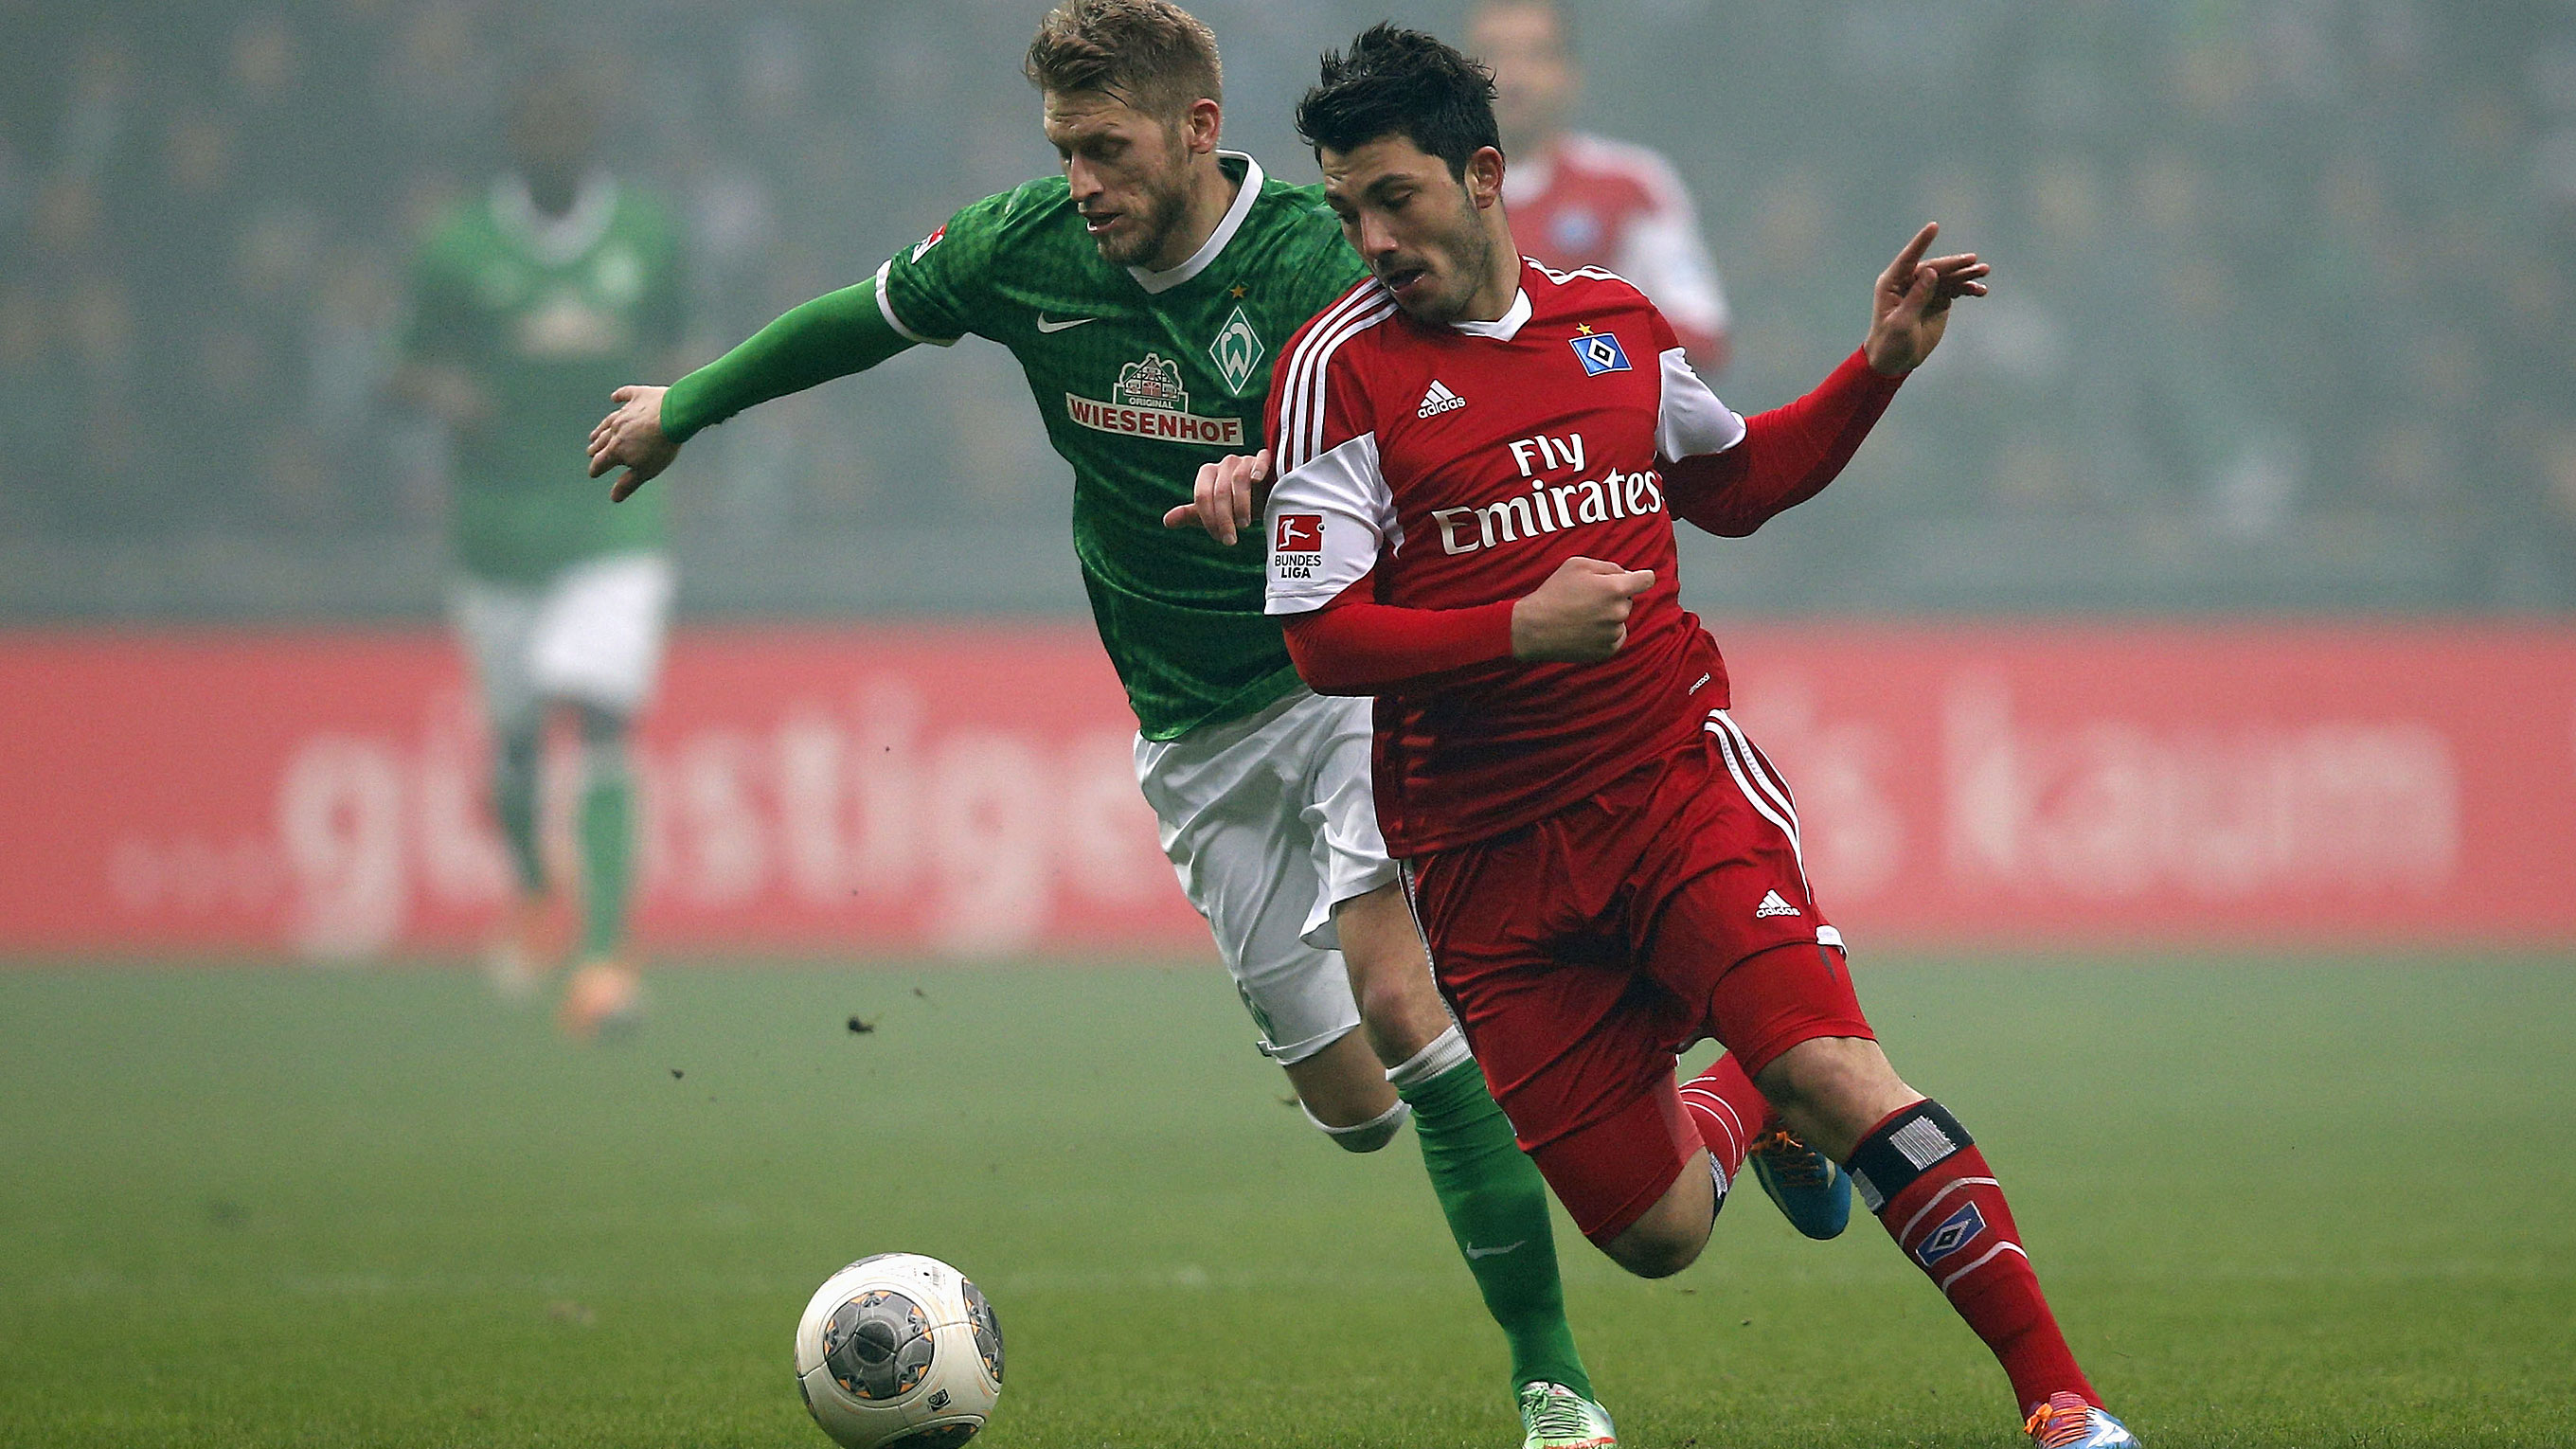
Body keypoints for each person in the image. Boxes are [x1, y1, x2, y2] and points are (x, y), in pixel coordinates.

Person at [583, 6, 1854, 1442]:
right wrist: (687, 406)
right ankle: (1748, 1093)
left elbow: (1451, 384)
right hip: (1189, 727)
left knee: (1404, 1002)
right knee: (1359, 1102)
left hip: (1350, 677)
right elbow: (862, 322)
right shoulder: (1024, 246)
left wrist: (1282, 457)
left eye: (1108, 148)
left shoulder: (1322, 257)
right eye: (1065, 150)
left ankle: (1552, 1381)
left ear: (1198, 128)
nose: (1083, 180)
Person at [1177, 26, 2139, 1448]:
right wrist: (1521, 626)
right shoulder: (1338, 374)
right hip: (1485, 861)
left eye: (1398, 198)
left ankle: (2063, 1403)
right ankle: (1752, 1095)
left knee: (1838, 1062)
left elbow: (1738, 481)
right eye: (1346, 212)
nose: (1373, 237)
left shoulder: (1614, 325)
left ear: (1484, 173)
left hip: (1668, 778)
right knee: (1659, 1231)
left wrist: (1875, 369)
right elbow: (1321, 637)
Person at [401, 67, 687, 1038]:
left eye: (570, 122)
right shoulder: (457, 248)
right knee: (517, 747)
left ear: (594, 133)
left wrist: (673, 403)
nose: (554, 139)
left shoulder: (647, 237)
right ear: (512, 138)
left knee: (603, 717)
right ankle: (532, 884)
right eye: (537, 123)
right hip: (496, 531)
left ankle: (604, 956)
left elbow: (688, 344)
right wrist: (445, 395)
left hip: (612, 515)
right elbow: (400, 364)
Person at [1466, 0, 1732, 372]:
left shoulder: (1631, 187)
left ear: (1571, 72)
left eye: (1536, 54)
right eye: (1493, 55)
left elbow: (1701, 335)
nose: (1513, 77)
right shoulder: (1432, 200)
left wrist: (1575, 355)